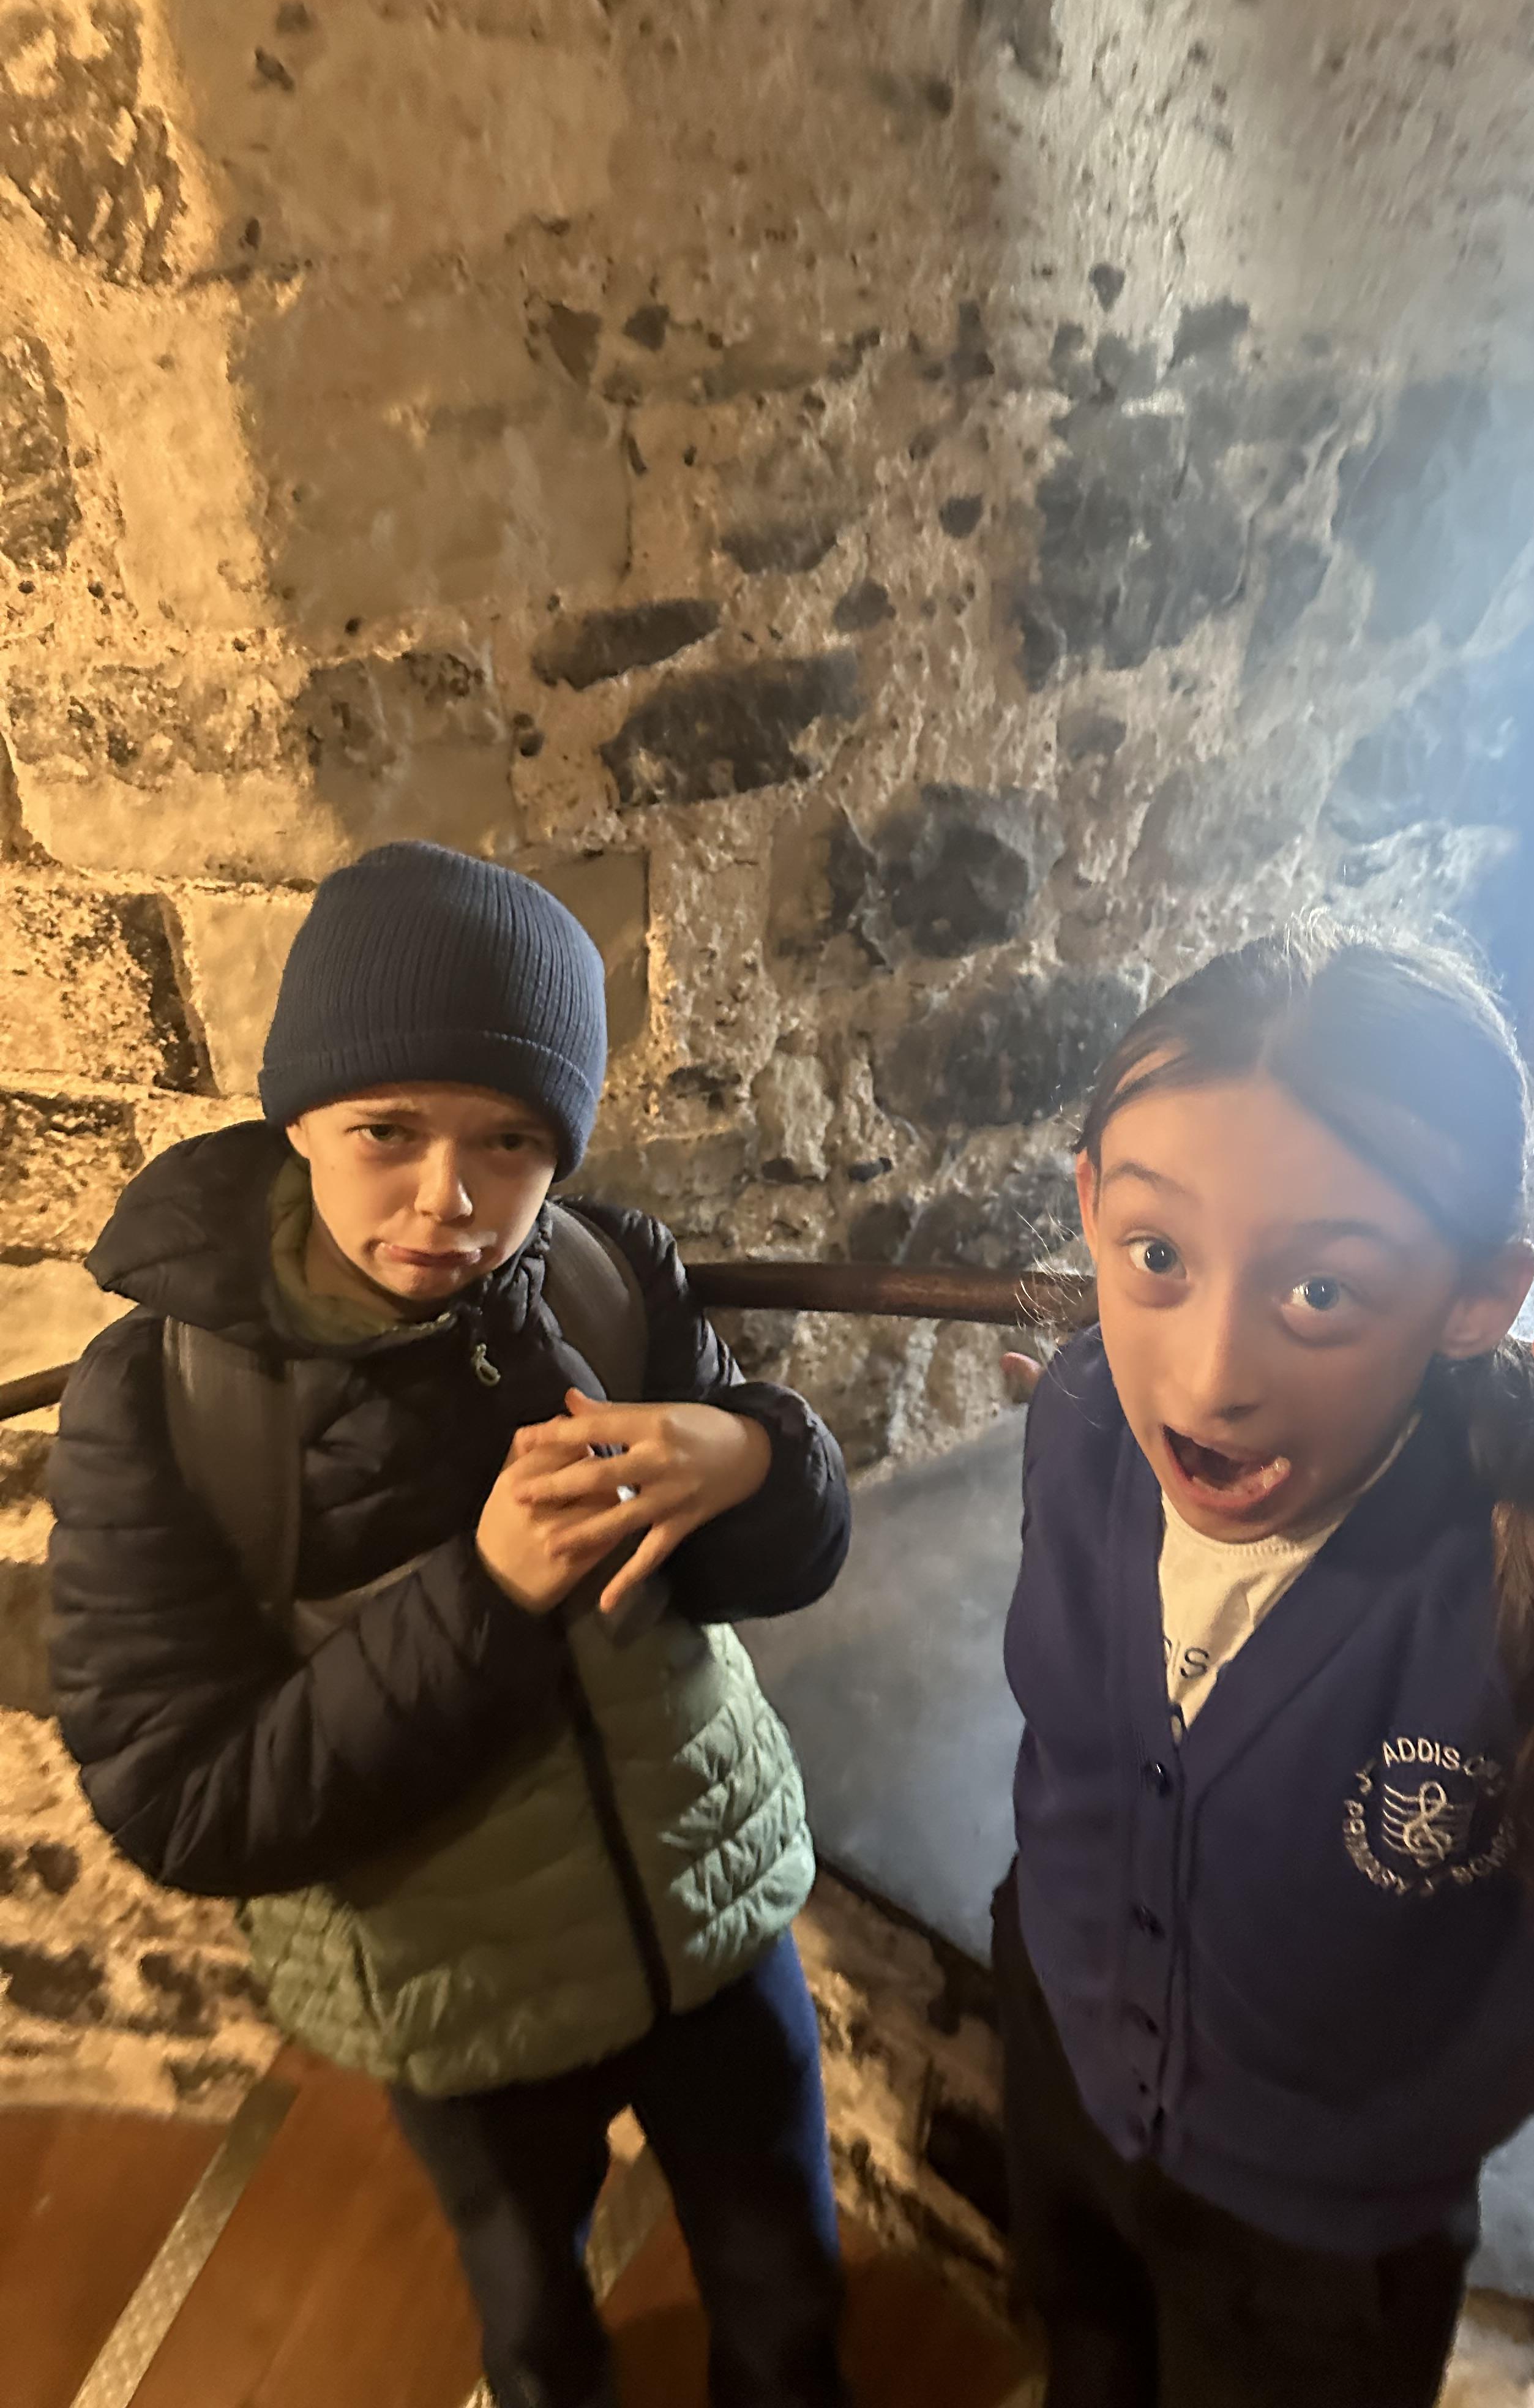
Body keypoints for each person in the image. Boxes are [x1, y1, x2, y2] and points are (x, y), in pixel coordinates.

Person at [994, 915, 1534, 2408]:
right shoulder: (1081, 1425)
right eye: (1158, 1254)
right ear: (1090, 1208)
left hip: (1321, 2260)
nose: (1208, 1378)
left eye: (1322, 1291)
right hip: (1058, 2063)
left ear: (1475, 1297)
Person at [47, 841, 853, 2408]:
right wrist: (484, 1598)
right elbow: (183, 1797)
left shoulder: (606, 1277)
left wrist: (756, 1453)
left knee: (785, 2282)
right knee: (538, 2326)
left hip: (710, 1909)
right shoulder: (171, 1402)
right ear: (299, 1118)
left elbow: (780, 1562)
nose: (450, 1199)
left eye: (510, 1140)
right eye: (387, 1130)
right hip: (462, 1992)